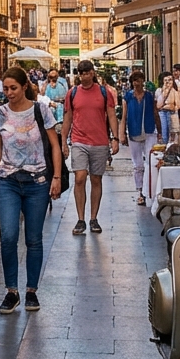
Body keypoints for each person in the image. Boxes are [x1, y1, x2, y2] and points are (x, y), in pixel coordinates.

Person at [0, 67, 62, 314]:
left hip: (37, 181)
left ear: (24, 86)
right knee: (8, 236)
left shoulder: (41, 110)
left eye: (13, 88)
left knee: (33, 238)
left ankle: (31, 291)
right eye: (5, 89)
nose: (8, 93)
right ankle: (11, 291)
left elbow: (54, 146)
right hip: (8, 181)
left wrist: (57, 178)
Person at [61, 60, 119, 236]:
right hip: (79, 140)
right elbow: (68, 117)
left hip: (100, 141)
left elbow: (111, 115)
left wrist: (115, 138)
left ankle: (93, 218)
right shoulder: (72, 93)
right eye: (81, 73)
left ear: (93, 73)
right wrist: (63, 140)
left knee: (96, 179)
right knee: (80, 177)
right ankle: (80, 219)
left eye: (87, 72)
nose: (84, 76)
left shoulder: (104, 92)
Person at [119, 70, 158, 205]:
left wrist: (160, 131)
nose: (138, 83)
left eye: (140, 80)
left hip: (149, 130)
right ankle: (140, 191)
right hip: (134, 131)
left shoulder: (149, 96)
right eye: (135, 80)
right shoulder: (127, 97)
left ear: (143, 81)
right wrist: (122, 133)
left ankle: (150, 190)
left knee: (150, 161)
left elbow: (155, 112)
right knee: (138, 165)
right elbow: (124, 116)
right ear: (132, 82)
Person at [155, 71, 180, 144]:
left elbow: (178, 104)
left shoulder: (175, 91)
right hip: (163, 113)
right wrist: (165, 91)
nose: (168, 82)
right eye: (165, 80)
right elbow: (159, 105)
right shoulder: (159, 90)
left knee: (174, 134)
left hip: (173, 113)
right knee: (164, 134)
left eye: (170, 80)